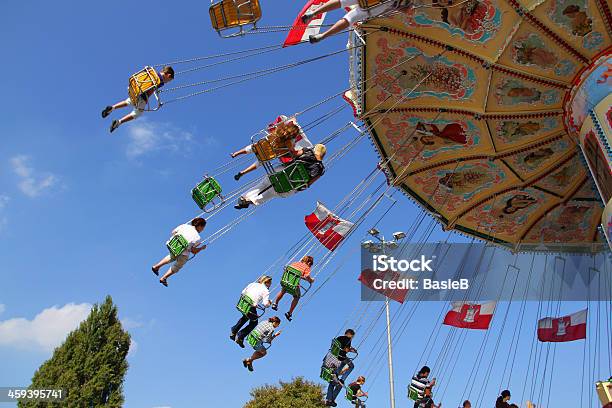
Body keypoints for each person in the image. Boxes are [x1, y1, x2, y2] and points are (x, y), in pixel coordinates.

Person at [234, 144, 326, 209]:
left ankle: (245, 198)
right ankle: (253, 201)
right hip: (289, 187)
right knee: (271, 194)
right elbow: (308, 184)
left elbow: (293, 153)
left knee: (262, 185)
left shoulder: (307, 151)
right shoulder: (321, 169)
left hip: (280, 173)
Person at [101, 66, 175, 133]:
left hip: (136, 90)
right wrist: (149, 100)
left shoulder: (152, 72)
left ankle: (112, 108)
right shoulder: (160, 81)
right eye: (169, 80)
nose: (167, 82)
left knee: (129, 101)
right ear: (168, 75)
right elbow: (152, 90)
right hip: (143, 95)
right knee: (137, 113)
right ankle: (119, 122)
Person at [231, 119, 308, 180]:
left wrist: (294, 121)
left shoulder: (278, 130)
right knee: (260, 163)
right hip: (266, 156)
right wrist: (302, 149)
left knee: (251, 147)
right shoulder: (289, 144)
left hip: (259, 147)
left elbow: (288, 121)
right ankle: (243, 172)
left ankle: (236, 153)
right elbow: (292, 152)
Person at [302, 0, 408, 44]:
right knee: (350, 18)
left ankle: (313, 13)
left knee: (342, 2)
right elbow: (405, 9)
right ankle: (322, 36)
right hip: (377, 6)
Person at [151, 217, 206, 287]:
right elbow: (194, 251)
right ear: (200, 226)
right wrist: (201, 248)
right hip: (183, 253)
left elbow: (173, 232)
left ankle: (156, 266)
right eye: (203, 227)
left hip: (173, 245)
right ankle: (164, 278)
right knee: (178, 265)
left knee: (172, 255)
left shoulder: (184, 225)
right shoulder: (197, 237)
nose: (203, 230)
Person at [230, 275, 273, 348]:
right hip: (250, 306)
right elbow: (265, 304)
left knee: (246, 317)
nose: (270, 285)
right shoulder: (266, 290)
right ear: (267, 282)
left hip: (243, 303)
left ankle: (234, 331)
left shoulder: (252, 284)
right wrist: (269, 303)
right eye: (270, 283)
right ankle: (240, 336)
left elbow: (243, 292)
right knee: (254, 322)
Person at [271, 255, 315, 321]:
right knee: (297, 297)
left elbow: (292, 272)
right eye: (310, 264)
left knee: (283, 291)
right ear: (309, 263)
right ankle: (289, 312)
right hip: (294, 285)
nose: (310, 266)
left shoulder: (295, 263)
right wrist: (311, 280)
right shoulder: (306, 268)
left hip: (286, 281)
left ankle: (275, 303)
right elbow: (307, 276)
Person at [325, 329, 357, 406]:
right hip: (340, 358)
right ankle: (342, 379)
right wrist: (351, 350)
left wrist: (350, 349)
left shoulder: (339, 338)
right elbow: (346, 349)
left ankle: (329, 399)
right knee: (351, 366)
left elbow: (339, 347)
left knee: (332, 382)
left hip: (332, 359)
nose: (352, 338)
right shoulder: (348, 339)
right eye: (352, 337)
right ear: (350, 335)